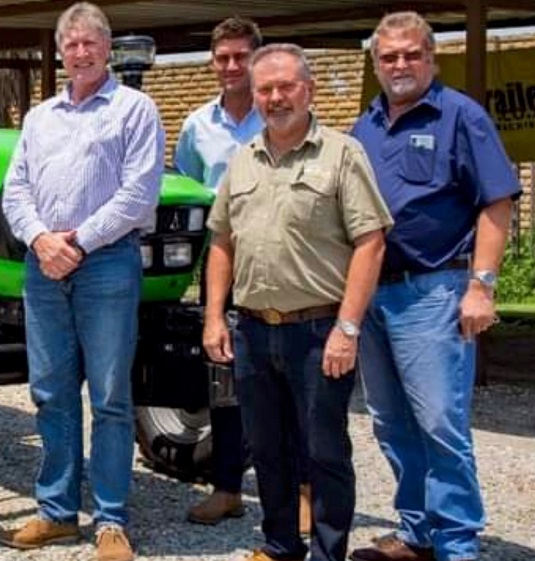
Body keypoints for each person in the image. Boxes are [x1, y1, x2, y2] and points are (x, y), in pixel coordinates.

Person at [203, 43, 392, 561]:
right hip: (253, 329)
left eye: (286, 86)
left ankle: (329, 553)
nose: (275, 97)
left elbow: (370, 241)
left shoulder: (341, 154)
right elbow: (221, 241)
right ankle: (280, 545)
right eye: (265, 89)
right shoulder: (244, 161)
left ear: (307, 90)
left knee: (324, 451)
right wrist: (215, 317)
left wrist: (348, 329)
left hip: (317, 331)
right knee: (267, 448)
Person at [348, 11, 521, 561]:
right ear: (376, 63)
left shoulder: (460, 116)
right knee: (390, 421)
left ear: (431, 58)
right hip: (373, 295)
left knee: (440, 422)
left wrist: (482, 286)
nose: (399, 64)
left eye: (410, 54)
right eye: (388, 56)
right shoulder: (365, 125)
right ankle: (417, 532)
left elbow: (496, 201)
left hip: (434, 293)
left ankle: (457, 543)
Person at [0, 3, 165, 561]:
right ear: (61, 51)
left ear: (107, 47)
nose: (80, 51)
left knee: (112, 396)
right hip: (43, 267)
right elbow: (15, 190)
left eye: (90, 41)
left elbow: (139, 193)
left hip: (106, 265)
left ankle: (112, 520)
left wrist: (78, 242)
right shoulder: (41, 117)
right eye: (70, 44)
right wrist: (42, 240)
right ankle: (57, 511)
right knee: (50, 393)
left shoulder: (134, 109)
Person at [174, 17, 311, 531]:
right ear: (212, 62)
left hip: (284, 265)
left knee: (292, 384)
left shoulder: (280, 116)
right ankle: (228, 487)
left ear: (256, 60)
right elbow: (189, 195)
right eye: (222, 57)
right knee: (226, 385)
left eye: (241, 57)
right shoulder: (196, 127)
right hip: (225, 268)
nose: (231, 66)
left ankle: (303, 491)